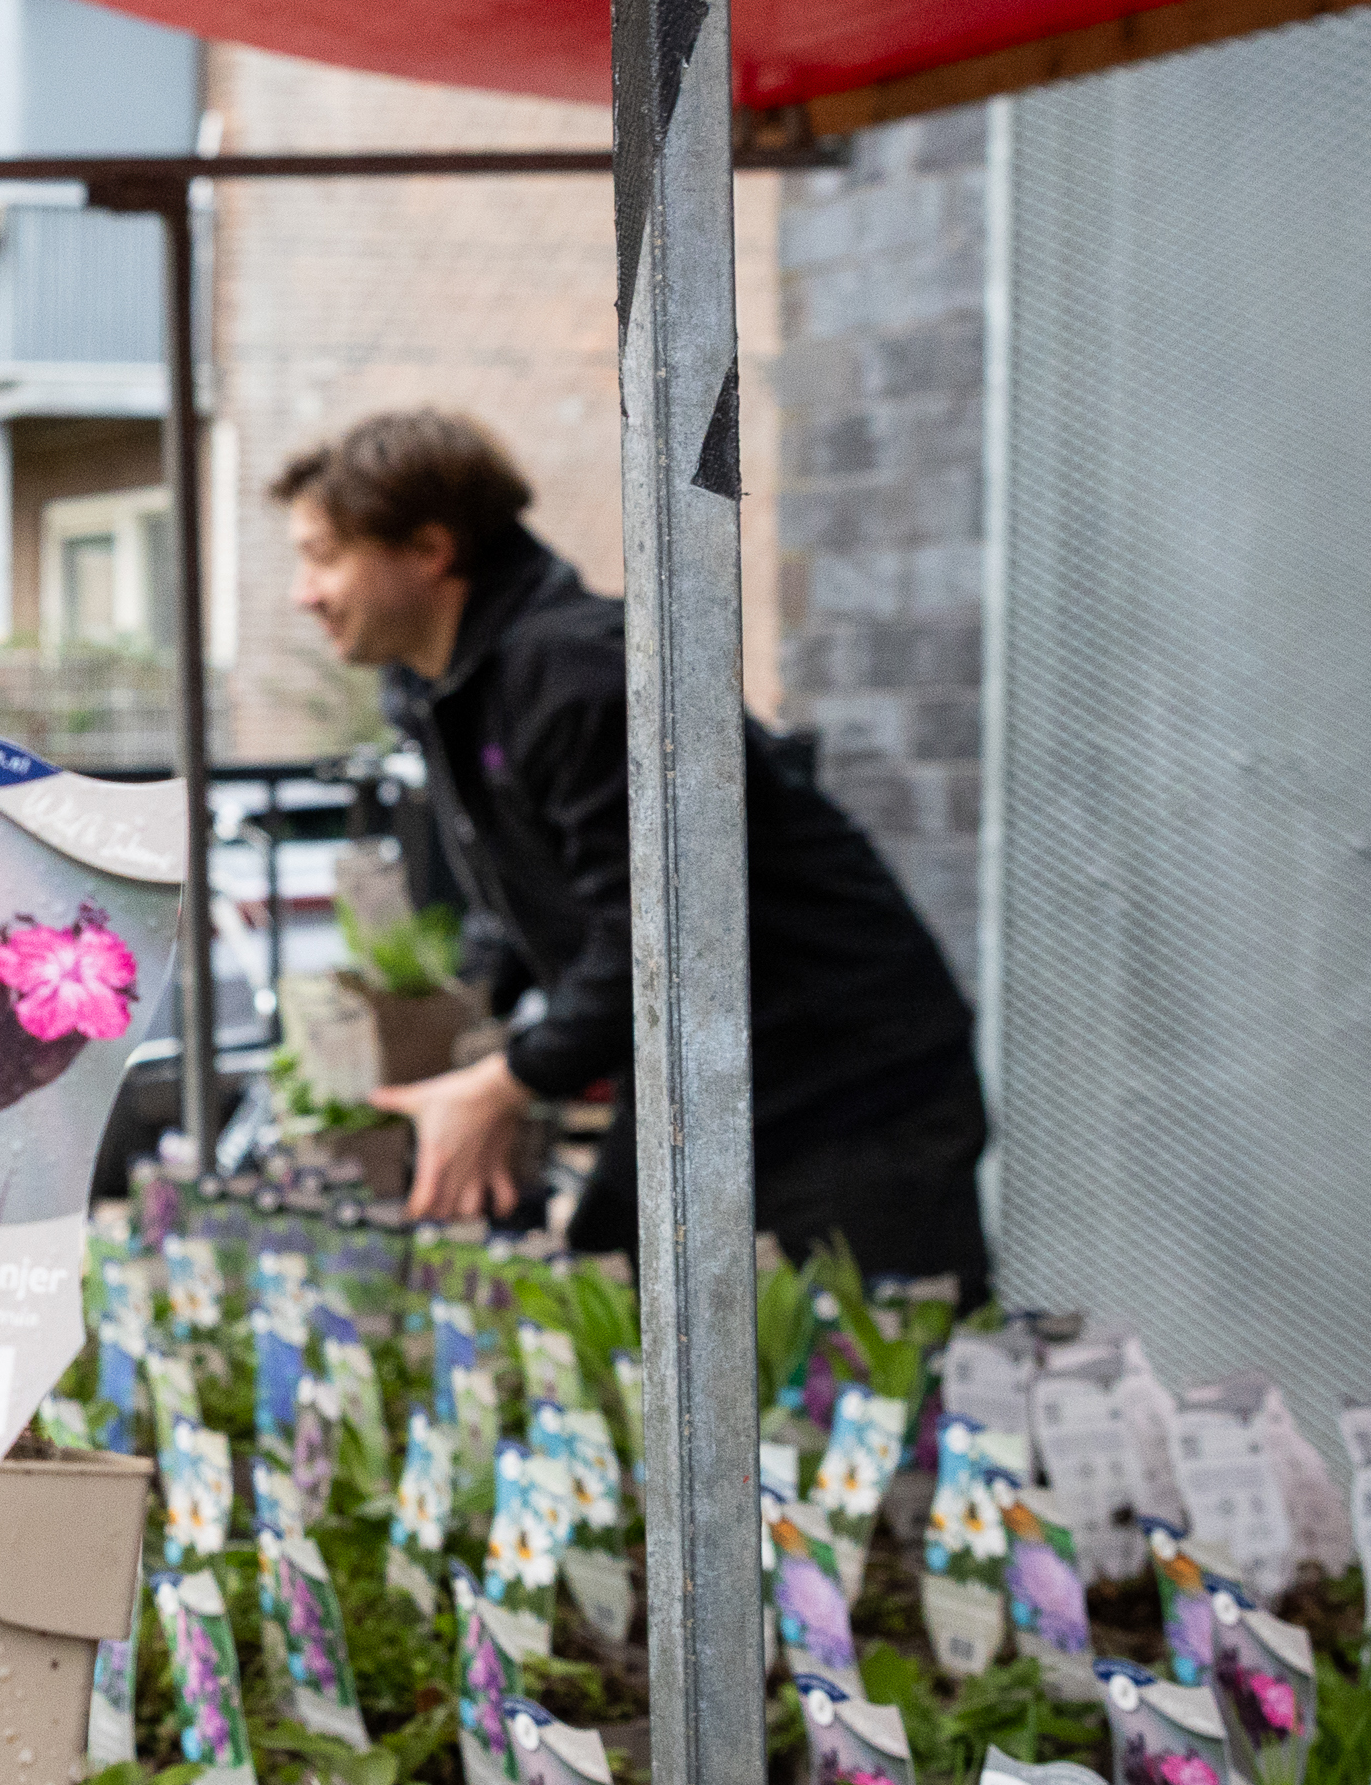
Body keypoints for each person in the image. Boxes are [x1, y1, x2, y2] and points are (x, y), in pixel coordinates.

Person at [275, 409, 990, 1288]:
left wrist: (503, 1084)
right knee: (611, 1308)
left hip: (850, 1084)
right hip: (723, 1080)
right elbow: (543, 902)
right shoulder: (455, 690)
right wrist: (476, 1035)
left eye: (322, 555)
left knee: (869, 1384)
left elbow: (657, 934)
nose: (304, 592)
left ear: (428, 548)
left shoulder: (576, 679)